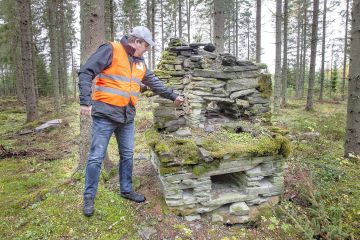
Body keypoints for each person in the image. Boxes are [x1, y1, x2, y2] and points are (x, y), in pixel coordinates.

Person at [78, 26, 184, 217]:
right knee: (96, 157)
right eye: (146, 46)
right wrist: (85, 101)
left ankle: (126, 190)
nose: (147, 50)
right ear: (137, 42)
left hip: (127, 117)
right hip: (104, 115)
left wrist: (173, 96)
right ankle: (89, 198)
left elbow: (154, 83)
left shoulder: (141, 63)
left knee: (127, 155)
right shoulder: (111, 49)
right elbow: (86, 71)